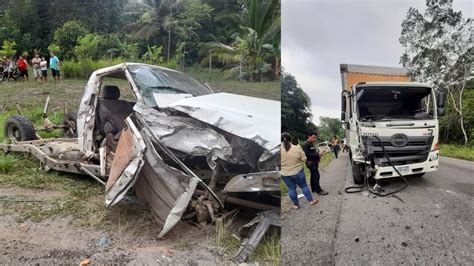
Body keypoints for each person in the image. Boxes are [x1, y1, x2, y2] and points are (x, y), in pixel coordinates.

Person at [280, 132, 319, 209]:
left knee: (291, 189)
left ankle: (296, 205)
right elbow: (304, 159)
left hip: (285, 173)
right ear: (291, 139)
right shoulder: (297, 148)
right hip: (298, 171)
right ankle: (311, 201)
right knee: (304, 186)